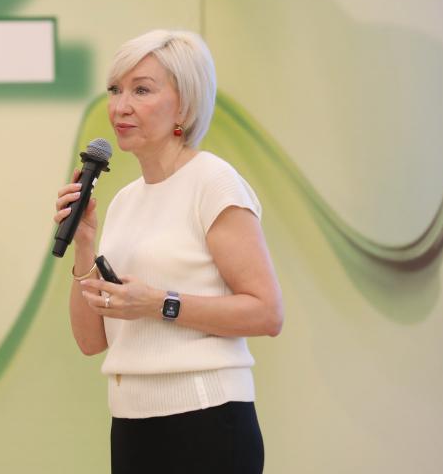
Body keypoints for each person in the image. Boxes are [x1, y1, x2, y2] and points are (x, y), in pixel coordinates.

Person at [54, 29, 284, 474]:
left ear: (184, 105)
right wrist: (84, 245)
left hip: (205, 420)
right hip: (130, 425)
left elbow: (267, 312)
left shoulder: (213, 182)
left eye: (141, 90)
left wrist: (159, 304)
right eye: (115, 90)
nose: (121, 107)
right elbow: (91, 342)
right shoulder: (124, 201)